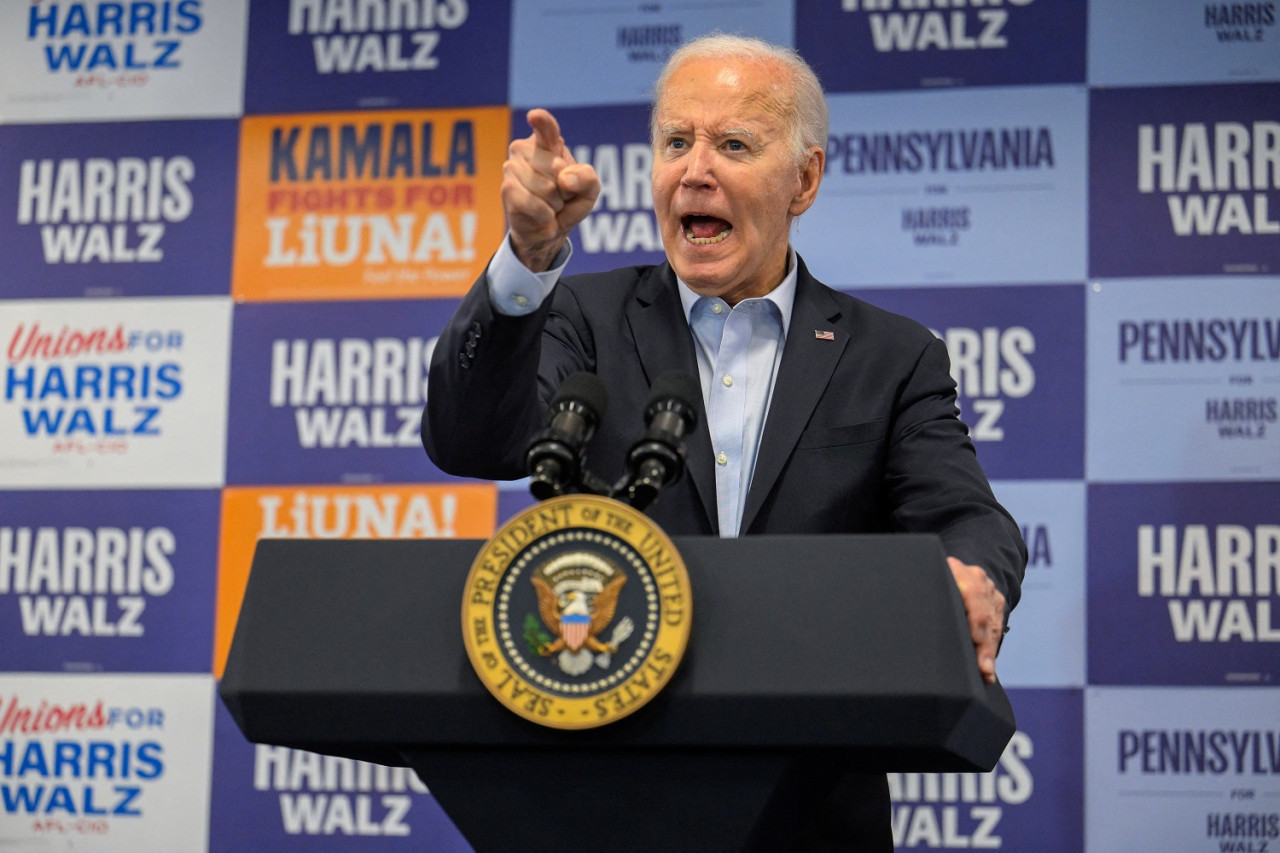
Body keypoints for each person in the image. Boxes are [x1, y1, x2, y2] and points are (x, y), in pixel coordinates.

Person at [422, 33, 1026, 851]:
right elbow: (467, 440)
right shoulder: (583, 317)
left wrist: (974, 575)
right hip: (601, 793)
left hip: (811, 808)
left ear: (804, 180)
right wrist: (527, 261)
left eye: (733, 145)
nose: (694, 171)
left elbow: (966, 515)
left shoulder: (893, 356)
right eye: (676, 142)